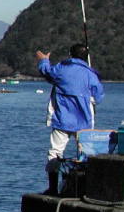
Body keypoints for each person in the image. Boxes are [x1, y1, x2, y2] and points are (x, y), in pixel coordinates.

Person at [36, 43, 104, 194]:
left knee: (55, 152)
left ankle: (53, 188)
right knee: (85, 153)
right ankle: (84, 188)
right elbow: (98, 97)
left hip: (62, 118)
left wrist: (44, 60)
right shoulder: (91, 74)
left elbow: (47, 72)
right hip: (84, 121)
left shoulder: (62, 68)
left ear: (70, 54)